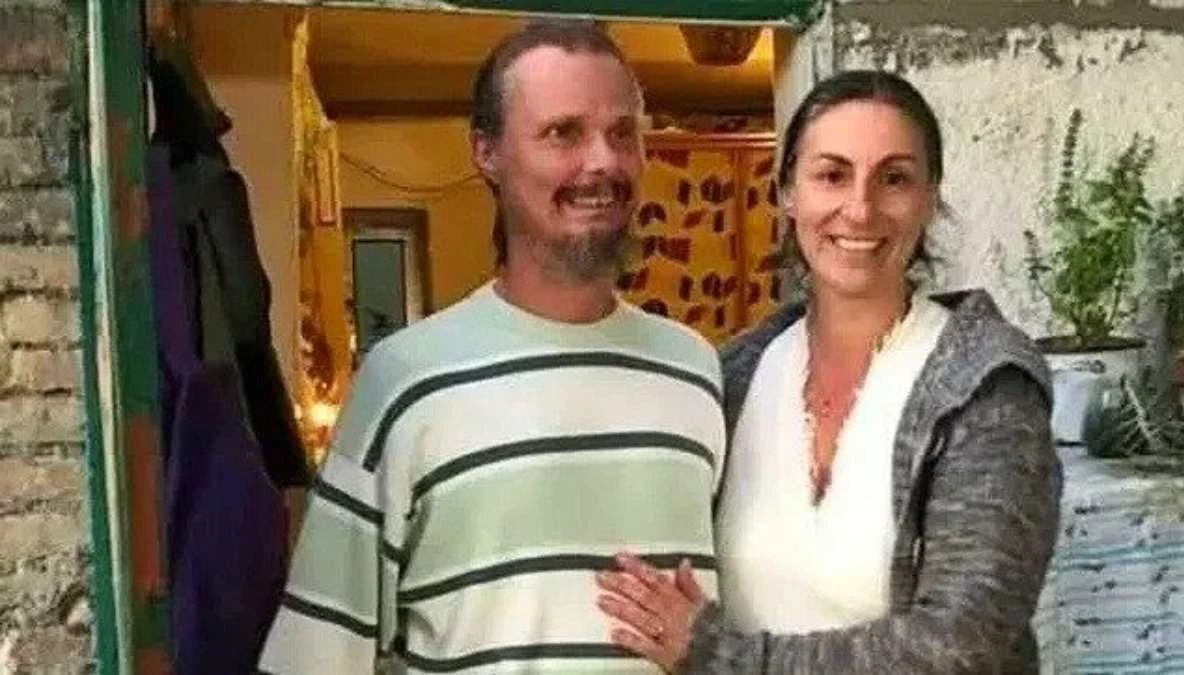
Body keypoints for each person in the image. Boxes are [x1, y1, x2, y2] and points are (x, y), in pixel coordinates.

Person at [257, 19, 726, 674]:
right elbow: (316, 657)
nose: (603, 161)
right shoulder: (408, 382)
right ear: (487, 153)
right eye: (563, 133)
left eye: (623, 133)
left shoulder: (696, 372)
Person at [594, 70, 1063, 673]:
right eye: (832, 175)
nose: (860, 209)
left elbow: (961, 644)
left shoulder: (985, 385)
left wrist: (722, 656)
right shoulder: (735, 376)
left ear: (930, 198)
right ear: (788, 192)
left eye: (894, 178)